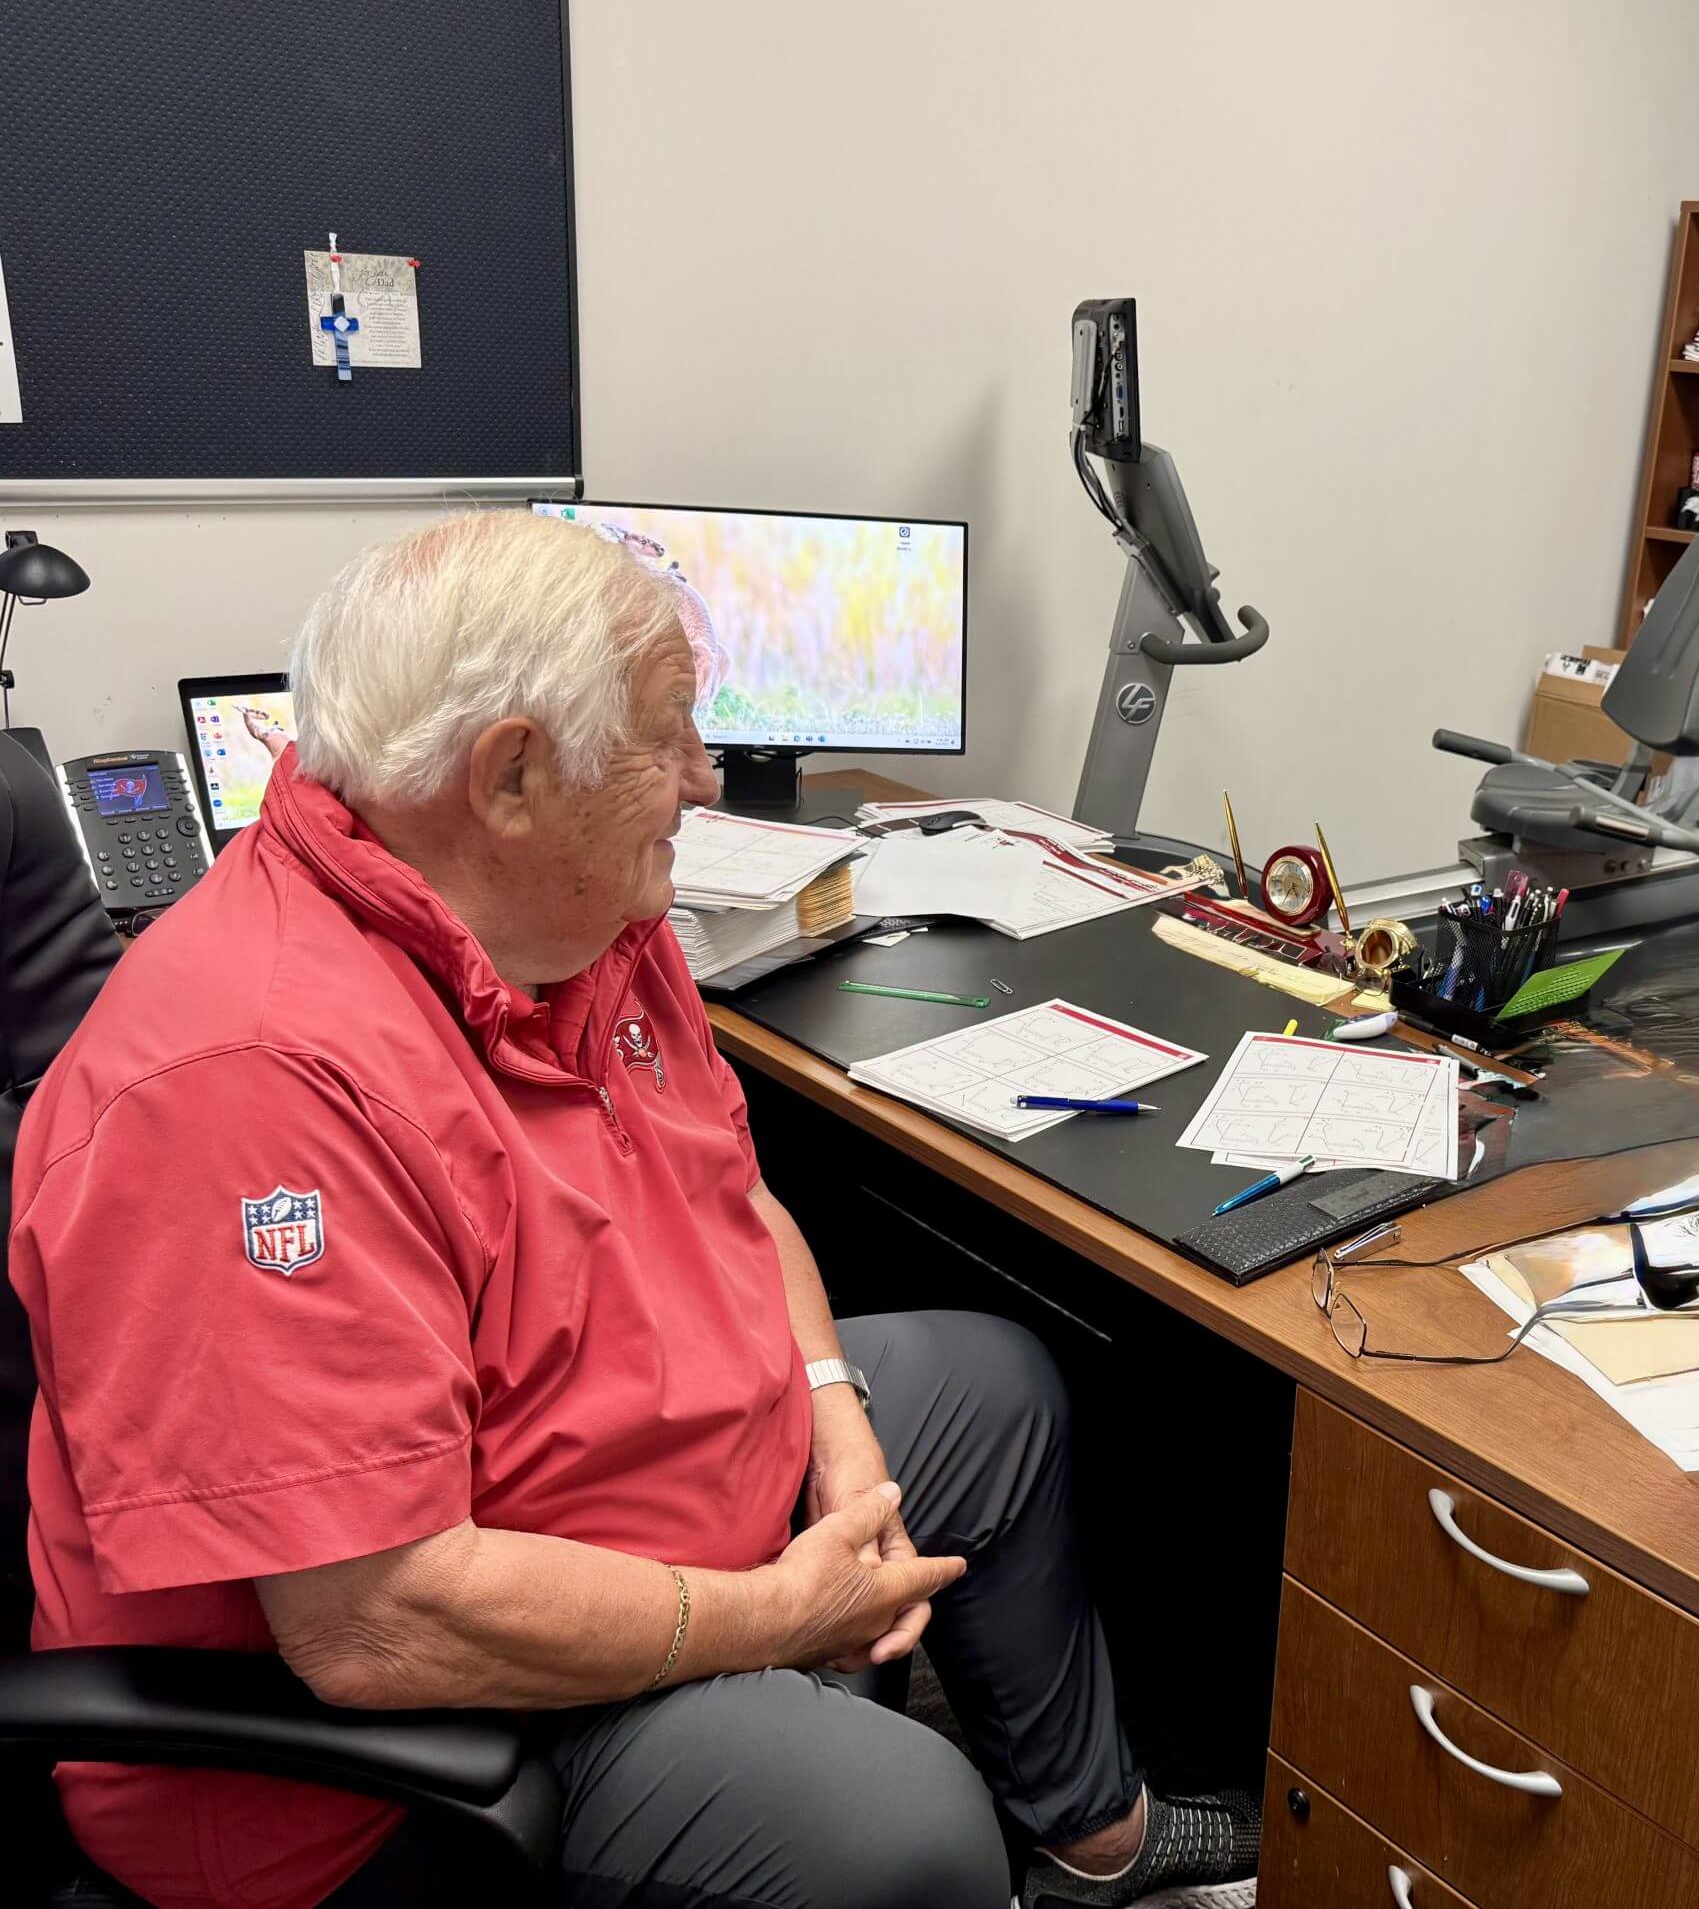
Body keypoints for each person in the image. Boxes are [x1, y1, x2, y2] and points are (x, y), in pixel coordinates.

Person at [8, 512, 1256, 1909]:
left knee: (987, 1384)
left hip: (617, 1488)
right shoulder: (252, 1081)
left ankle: (1096, 1837)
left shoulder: (585, 914)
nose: (704, 780)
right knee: (908, 1828)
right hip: (390, 1754)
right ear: (515, 774)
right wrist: (777, 1614)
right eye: (670, 735)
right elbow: (375, 1624)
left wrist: (836, 1425)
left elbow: (736, 1200)